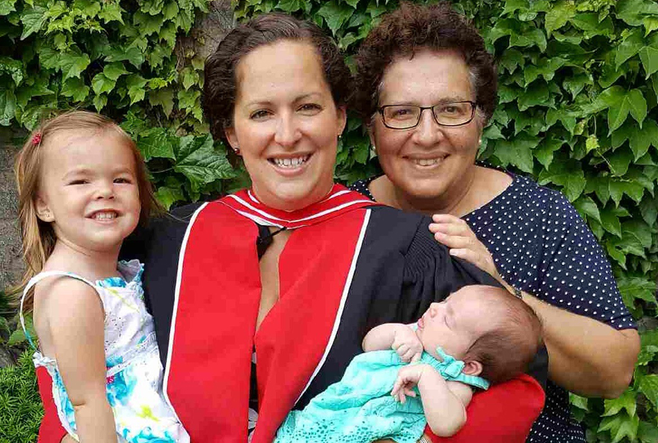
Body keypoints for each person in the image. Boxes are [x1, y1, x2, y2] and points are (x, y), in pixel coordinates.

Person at [35, 13, 546, 443]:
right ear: (231, 133)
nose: (287, 134)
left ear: (341, 117)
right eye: (261, 113)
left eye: (308, 107)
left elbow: (512, 393)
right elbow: (83, 363)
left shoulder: (406, 249)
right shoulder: (173, 237)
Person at [349, 2, 640, 442]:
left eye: (450, 109)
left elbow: (613, 372)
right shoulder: (347, 214)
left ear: (481, 120)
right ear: (372, 130)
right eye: (402, 112)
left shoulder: (539, 216)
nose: (427, 135)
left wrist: (502, 288)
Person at [12, 111, 190, 443]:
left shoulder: (113, 270)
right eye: (81, 181)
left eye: (120, 179)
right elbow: (87, 401)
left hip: (151, 414)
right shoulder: (72, 293)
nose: (105, 191)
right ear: (43, 206)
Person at [275, 285, 542, 442]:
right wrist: (397, 332)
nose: (435, 307)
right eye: (446, 301)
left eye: (447, 319)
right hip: (337, 409)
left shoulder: (455, 382)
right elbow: (370, 344)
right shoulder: (416, 333)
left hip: (370, 430)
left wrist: (427, 376)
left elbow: (447, 424)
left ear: (470, 366)